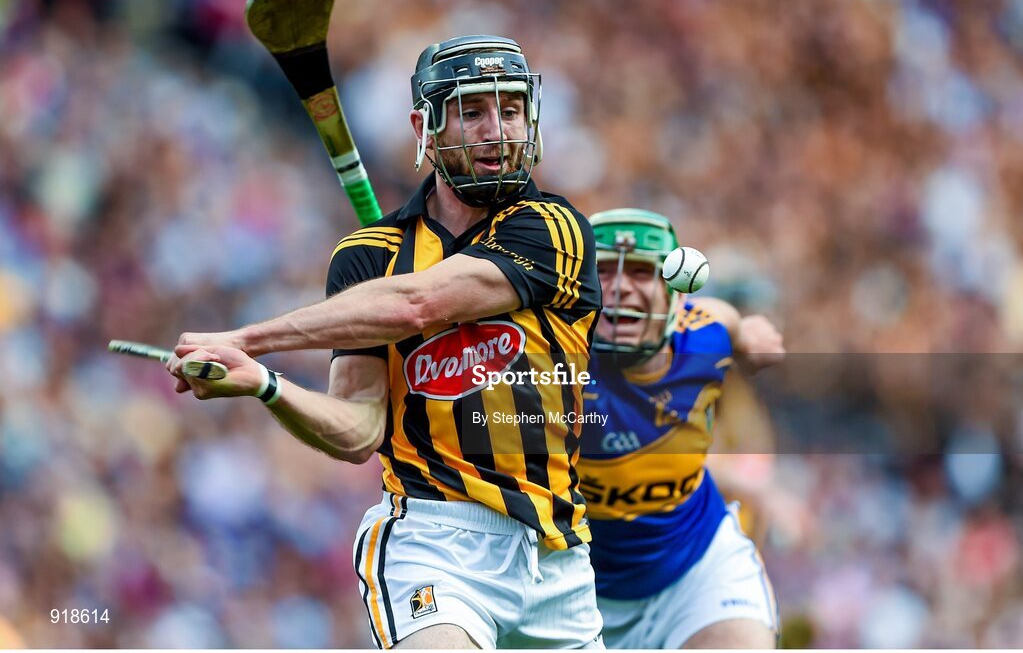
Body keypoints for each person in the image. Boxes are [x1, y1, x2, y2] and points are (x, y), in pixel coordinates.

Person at [165, 35, 604, 649]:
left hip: (558, 554)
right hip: (436, 543)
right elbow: (360, 431)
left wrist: (249, 339)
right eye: (473, 111)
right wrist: (267, 385)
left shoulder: (554, 228)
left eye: (508, 111)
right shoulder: (369, 258)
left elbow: (417, 303)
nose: (496, 131)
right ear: (425, 127)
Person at [576, 208, 785, 649]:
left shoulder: (706, 333)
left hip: (695, 570)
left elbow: (731, 322)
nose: (620, 287)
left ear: (674, 296)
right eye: (605, 272)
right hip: (573, 585)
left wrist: (749, 335)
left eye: (640, 272)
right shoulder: (547, 351)